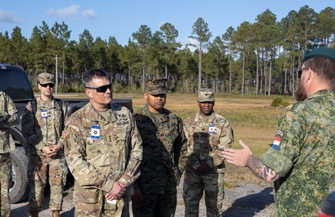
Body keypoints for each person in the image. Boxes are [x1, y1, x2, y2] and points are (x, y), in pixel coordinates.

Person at [222, 47, 335, 217]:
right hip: (332, 211)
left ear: (309, 73)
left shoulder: (298, 113)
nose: (300, 78)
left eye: (299, 73)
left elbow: (271, 173)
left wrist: (247, 159)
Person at [64, 69, 142, 217]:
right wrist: (109, 185)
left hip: (120, 195)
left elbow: (136, 149)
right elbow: (75, 160)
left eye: (109, 87)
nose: (108, 91)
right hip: (91, 200)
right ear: (89, 92)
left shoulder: (124, 114)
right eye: (102, 89)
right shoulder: (77, 120)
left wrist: (124, 182)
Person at [131, 78, 187, 217]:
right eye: (155, 95)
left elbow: (183, 147)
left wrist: (177, 172)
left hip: (167, 186)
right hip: (144, 185)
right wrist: (134, 185)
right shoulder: (136, 120)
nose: (159, 98)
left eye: (162, 95)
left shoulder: (174, 119)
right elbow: (128, 153)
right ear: (146, 95)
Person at [21, 73, 68, 217]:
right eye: (45, 85)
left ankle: (55, 214)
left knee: (57, 189)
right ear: (39, 86)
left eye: (51, 85)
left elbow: (68, 129)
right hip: (38, 156)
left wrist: (60, 144)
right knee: (36, 190)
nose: (48, 87)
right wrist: (43, 147)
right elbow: (27, 132)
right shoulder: (32, 106)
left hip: (57, 155)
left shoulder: (60, 105)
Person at [183, 88, 234, 217]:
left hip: (214, 173)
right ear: (198, 103)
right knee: (190, 207)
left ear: (214, 103)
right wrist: (196, 165)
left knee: (214, 208)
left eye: (209, 102)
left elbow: (225, 146)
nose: (207, 105)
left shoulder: (223, 123)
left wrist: (208, 164)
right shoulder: (188, 123)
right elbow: (184, 147)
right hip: (193, 173)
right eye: (203, 102)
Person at [0, 91, 18, 217]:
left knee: (4, 188)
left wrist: (2, 120)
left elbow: (15, 117)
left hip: (3, 150)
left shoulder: (3, 96)